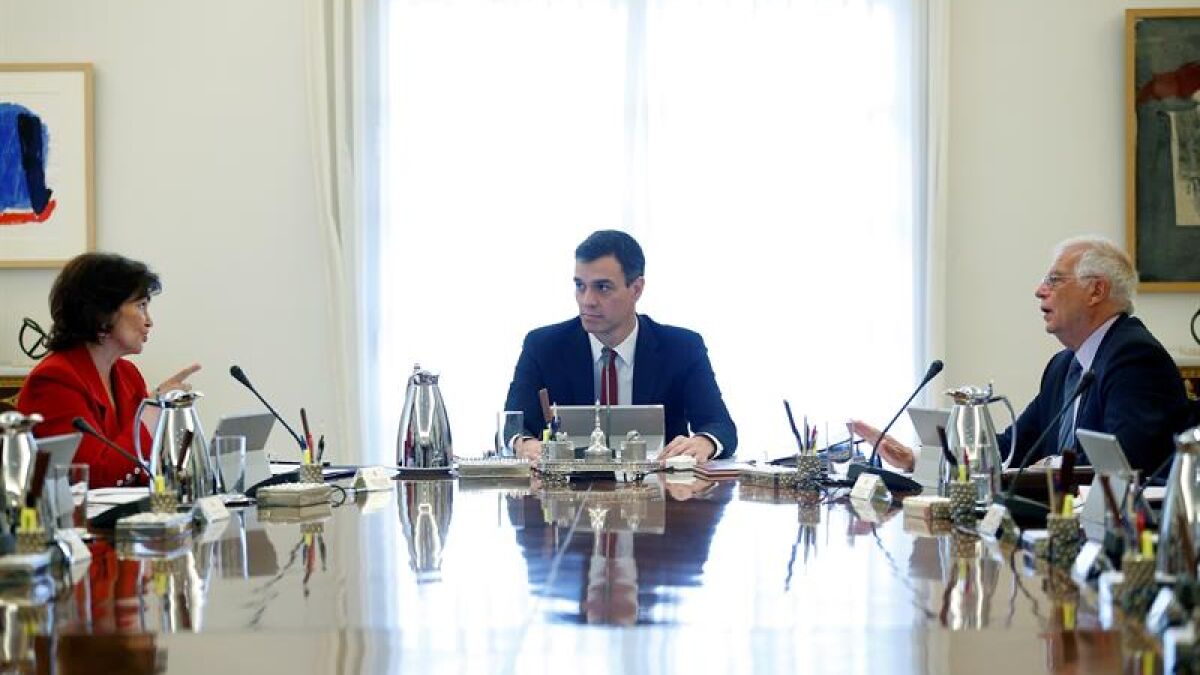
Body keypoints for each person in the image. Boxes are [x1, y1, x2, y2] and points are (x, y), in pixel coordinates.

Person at [853, 236, 1190, 475]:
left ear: (1096, 291)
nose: (1040, 291)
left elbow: (1123, 464)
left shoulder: (1135, 357)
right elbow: (1011, 449)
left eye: (1054, 280)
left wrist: (1051, 466)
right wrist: (917, 458)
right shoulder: (1063, 366)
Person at [504, 230, 737, 464]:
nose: (587, 300)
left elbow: (719, 425)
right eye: (580, 286)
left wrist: (704, 442)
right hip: (567, 485)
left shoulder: (682, 348)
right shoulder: (543, 346)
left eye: (602, 287)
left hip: (658, 483)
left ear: (636, 289)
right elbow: (513, 426)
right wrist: (525, 444)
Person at [18, 253, 200, 488]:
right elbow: (96, 477)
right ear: (102, 313)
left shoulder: (128, 374)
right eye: (141, 306)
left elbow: (144, 470)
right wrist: (153, 409)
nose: (149, 321)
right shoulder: (54, 380)